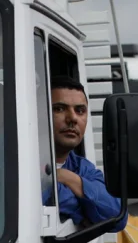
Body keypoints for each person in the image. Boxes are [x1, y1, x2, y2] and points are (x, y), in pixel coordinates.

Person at [41, 76, 127, 233]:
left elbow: (117, 217)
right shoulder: (13, 157)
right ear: (40, 114)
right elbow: (30, 199)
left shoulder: (80, 167)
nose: (72, 118)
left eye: (80, 111)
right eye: (59, 109)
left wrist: (68, 178)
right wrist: (81, 211)